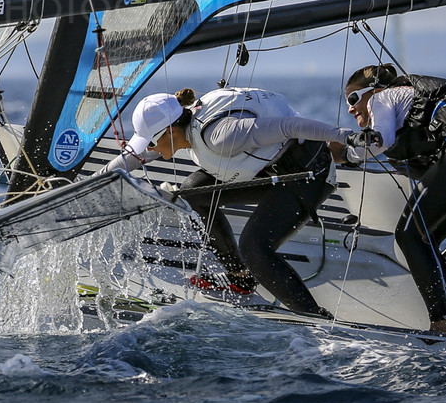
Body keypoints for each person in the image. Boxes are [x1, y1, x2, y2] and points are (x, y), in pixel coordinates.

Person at [108, 87, 359, 318]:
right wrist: (98, 179)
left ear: (171, 131)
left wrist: (346, 137)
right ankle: (240, 278)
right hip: (268, 170)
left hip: (308, 172)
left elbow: (290, 126)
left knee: (254, 247)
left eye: (151, 141)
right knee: (193, 193)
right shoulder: (181, 128)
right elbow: (133, 158)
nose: (150, 148)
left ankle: (314, 317)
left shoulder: (220, 136)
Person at [334, 63, 446, 335]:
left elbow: (379, 141)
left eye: (353, 98)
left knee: (408, 236)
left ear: (374, 91)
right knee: (425, 241)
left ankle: (442, 325)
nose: (350, 108)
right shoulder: (408, 107)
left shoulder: (382, 98)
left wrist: (345, 154)